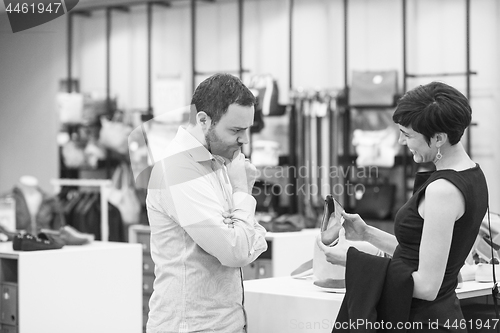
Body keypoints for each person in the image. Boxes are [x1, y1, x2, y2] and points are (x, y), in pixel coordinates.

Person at [317, 81, 488, 332]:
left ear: (439, 138)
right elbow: (420, 256)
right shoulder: (473, 175)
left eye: (408, 134)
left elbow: (427, 286)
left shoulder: (443, 191)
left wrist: (353, 262)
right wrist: (367, 234)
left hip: (422, 320)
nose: (401, 141)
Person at [145, 73, 268, 333]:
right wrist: (242, 191)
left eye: (247, 129)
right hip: (192, 327)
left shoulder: (218, 160)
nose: (244, 140)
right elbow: (237, 250)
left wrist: (241, 234)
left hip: (224, 323)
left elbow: (247, 241)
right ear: (203, 120)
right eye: (235, 130)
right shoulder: (178, 169)